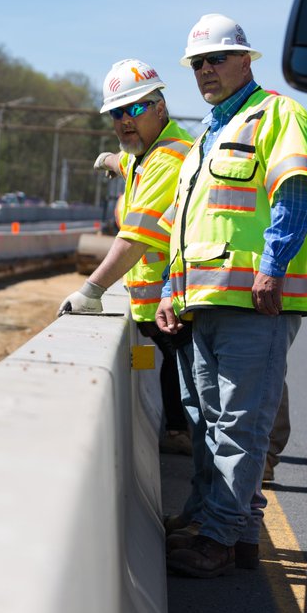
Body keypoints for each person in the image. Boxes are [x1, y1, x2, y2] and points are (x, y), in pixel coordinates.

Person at [156, 15, 307, 578]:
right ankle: (225, 525)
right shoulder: (206, 133)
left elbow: (295, 194)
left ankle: (220, 538)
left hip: (255, 303)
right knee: (206, 423)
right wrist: (167, 292)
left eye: (216, 59)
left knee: (240, 427)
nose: (205, 70)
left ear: (245, 60)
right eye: (198, 63)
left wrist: (273, 269)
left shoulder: (277, 114)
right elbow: (187, 226)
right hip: (200, 301)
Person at [57, 58, 197, 455]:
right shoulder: (143, 155)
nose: (125, 121)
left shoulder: (169, 158)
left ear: (160, 108)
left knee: (187, 390)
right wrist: (108, 159)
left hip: (176, 308)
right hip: (156, 311)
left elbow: (134, 238)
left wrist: (92, 289)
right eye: (117, 113)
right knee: (170, 376)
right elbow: (129, 161)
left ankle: (187, 443)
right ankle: (177, 432)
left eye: (135, 108)